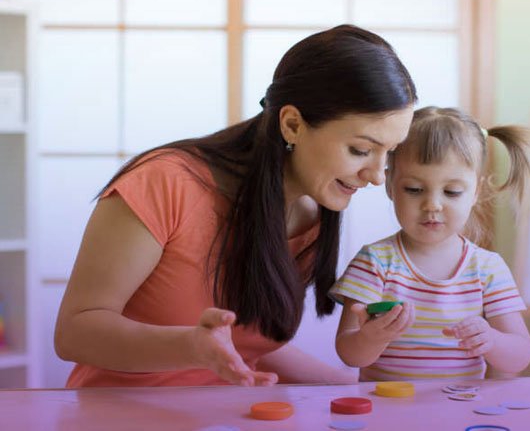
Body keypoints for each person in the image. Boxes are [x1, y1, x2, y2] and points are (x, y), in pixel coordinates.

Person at [54, 25, 417, 387]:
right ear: (292, 125)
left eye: (389, 153)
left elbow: (245, 344)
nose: (375, 176)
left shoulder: (311, 212)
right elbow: (75, 332)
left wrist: (356, 390)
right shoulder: (164, 183)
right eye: (361, 150)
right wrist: (190, 346)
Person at [332, 106, 530, 381]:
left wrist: (493, 341)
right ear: (390, 185)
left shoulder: (487, 268)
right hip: (389, 415)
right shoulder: (375, 261)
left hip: (461, 414)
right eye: (414, 189)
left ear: (475, 192)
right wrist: (371, 338)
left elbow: (520, 356)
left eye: (452, 192)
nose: (432, 205)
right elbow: (348, 352)